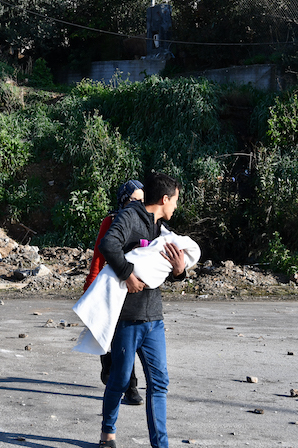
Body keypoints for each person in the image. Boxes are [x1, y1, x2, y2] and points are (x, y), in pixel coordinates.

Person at [97, 172, 187, 448]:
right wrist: (128, 275)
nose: (176, 207)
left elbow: (162, 269)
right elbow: (107, 245)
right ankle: (107, 433)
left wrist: (179, 271)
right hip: (126, 317)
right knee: (121, 379)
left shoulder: (161, 228)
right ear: (164, 199)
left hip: (154, 317)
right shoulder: (128, 217)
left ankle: (160, 444)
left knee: (159, 383)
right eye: (175, 201)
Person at [84, 179, 145, 407]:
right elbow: (99, 258)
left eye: (141, 200)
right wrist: (90, 288)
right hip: (110, 286)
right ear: (123, 201)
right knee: (111, 338)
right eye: (133, 200)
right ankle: (114, 372)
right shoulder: (110, 222)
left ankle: (130, 387)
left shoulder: (147, 223)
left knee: (128, 340)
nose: (138, 204)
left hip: (135, 289)